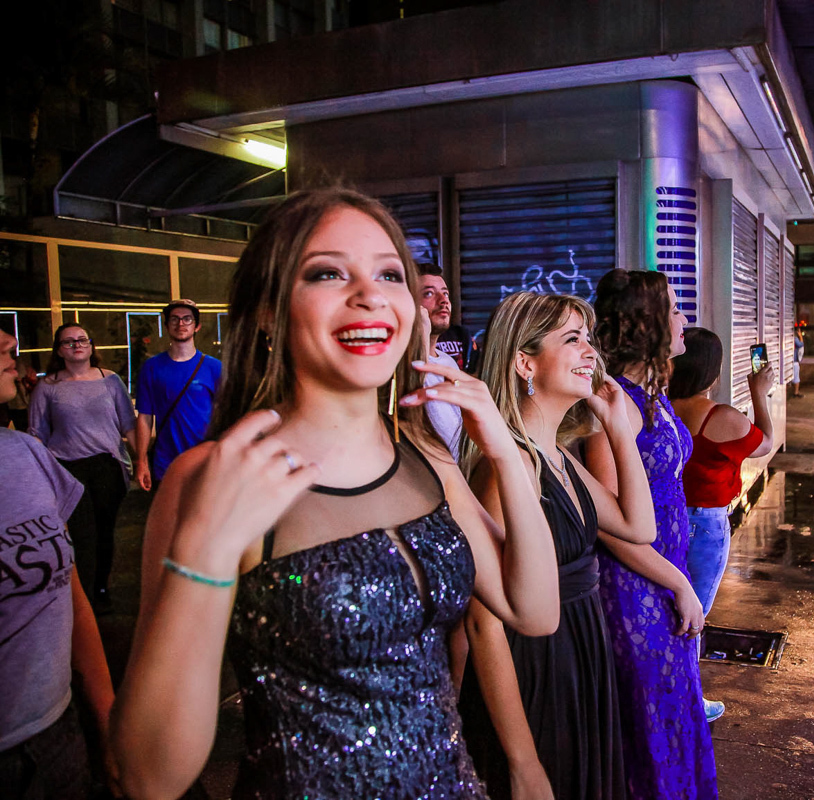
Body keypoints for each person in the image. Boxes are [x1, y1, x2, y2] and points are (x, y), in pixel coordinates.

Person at [110, 188, 559, 800]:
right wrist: (205, 553)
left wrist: (506, 451)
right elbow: (149, 776)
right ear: (268, 311)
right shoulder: (209, 477)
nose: (370, 294)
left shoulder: (425, 459)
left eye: (389, 274)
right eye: (327, 272)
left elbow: (534, 610)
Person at [458, 292, 657, 800]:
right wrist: (522, 763)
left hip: (580, 655)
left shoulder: (560, 457)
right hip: (535, 672)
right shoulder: (509, 464)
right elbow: (483, 624)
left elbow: (639, 527)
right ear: (525, 361)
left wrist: (618, 428)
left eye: (590, 339)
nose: (591, 352)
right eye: (573, 339)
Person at [585, 268, 717, 800]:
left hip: (666, 570)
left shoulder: (653, 392)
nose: (684, 318)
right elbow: (610, 523)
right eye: (675, 307)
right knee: (649, 715)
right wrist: (679, 584)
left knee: (676, 706)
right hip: (634, 582)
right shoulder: (613, 401)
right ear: (647, 324)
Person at [0, 327, 118, 799]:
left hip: (57, 735)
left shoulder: (23, 456)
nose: (11, 342)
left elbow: (68, 595)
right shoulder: (47, 391)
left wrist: (107, 724)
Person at [668, 326, 775, 720]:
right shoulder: (721, 417)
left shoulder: (659, 406)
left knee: (672, 609)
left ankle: (678, 695)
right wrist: (759, 393)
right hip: (705, 526)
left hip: (665, 520)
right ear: (713, 372)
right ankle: (689, 703)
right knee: (691, 615)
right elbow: (765, 443)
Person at [28, 324, 138, 611]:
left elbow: (129, 424)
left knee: (105, 532)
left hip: (107, 466)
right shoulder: (48, 386)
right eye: (68, 342)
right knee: (81, 536)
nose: (77, 345)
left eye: (82, 340)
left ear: (91, 346)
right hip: (67, 468)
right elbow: (36, 433)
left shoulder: (110, 380)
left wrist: (142, 462)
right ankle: (83, 598)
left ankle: (101, 589)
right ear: (59, 350)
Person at [133, 298, 223, 491]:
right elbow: (145, 418)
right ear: (166, 326)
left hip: (204, 462)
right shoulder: (152, 368)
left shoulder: (214, 368)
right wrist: (141, 461)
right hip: (166, 463)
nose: (180, 324)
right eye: (174, 319)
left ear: (197, 326)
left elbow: (224, 414)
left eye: (187, 319)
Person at [418, 265, 464, 457]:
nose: (443, 301)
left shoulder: (448, 362)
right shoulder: (397, 365)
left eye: (445, 294)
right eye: (429, 293)